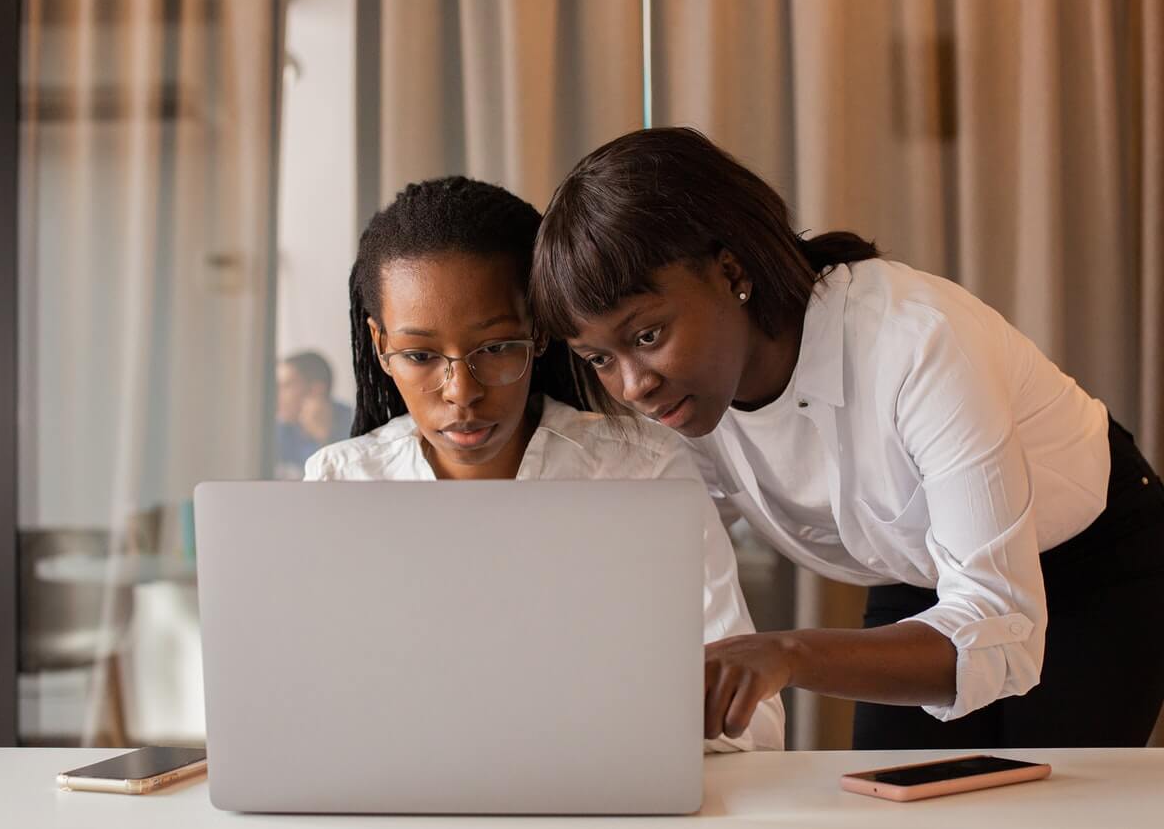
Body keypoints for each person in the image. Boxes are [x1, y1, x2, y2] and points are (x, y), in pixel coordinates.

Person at [530, 126, 1164, 749]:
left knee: (1052, 814)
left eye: (646, 335)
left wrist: (786, 653)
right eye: (598, 358)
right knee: (887, 807)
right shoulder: (676, 400)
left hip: (1093, 562)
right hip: (918, 575)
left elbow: (1002, 626)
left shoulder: (916, 341)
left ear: (730, 271)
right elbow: (651, 557)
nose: (634, 385)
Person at [304, 176, 784, 752]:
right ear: (379, 344)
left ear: (538, 333)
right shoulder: (338, 484)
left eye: (497, 347)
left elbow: (752, 728)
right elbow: (310, 714)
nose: (461, 392)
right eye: (420, 356)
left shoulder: (642, 472)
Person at [275, 350, 352, 479]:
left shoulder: (356, 425)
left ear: (315, 390)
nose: (276, 394)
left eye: (286, 386)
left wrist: (324, 438)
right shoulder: (280, 430)